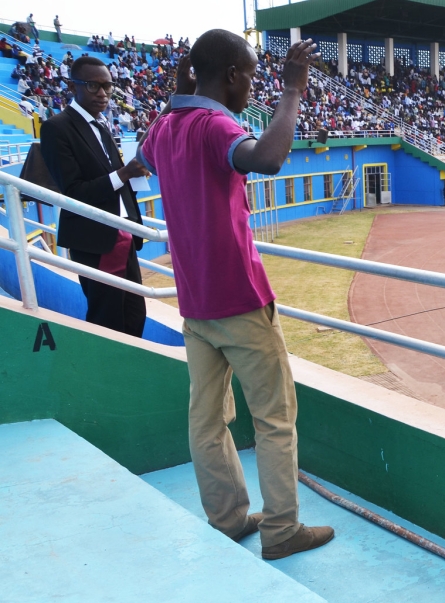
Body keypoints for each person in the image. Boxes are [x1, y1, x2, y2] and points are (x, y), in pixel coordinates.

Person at [139, 30, 334, 560]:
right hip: (240, 301)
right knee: (275, 419)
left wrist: (180, 93)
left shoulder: (167, 126)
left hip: (195, 304)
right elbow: (268, 157)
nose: (254, 84)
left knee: (205, 420)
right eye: (250, 74)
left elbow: (147, 151)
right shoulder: (213, 124)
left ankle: (226, 520)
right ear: (230, 76)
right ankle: (282, 530)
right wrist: (292, 89)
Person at [39, 56, 151, 337]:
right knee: (107, 319)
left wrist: (133, 176)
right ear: (73, 86)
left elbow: (114, 178)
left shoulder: (101, 126)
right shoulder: (56, 127)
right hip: (96, 239)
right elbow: (74, 191)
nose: (102, 93)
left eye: (108, 86)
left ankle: (128, 377)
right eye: (93, 86)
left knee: (135, 316)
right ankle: (107, 378)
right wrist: (124, 174)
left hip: (124, 234)